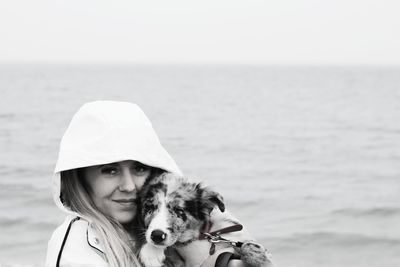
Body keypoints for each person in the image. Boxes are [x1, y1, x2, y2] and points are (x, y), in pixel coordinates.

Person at [46, 101, 247, 267]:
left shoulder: (165, 219)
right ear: (79, 177)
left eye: (139, 169)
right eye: (110, 170)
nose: (129, 186)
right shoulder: (78, 244)